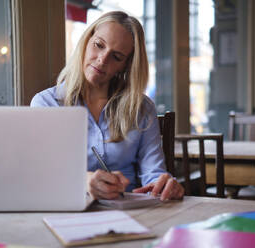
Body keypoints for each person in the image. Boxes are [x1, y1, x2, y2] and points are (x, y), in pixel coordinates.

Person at [30, 11, 184, 201]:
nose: (102, 60)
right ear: (86, 41)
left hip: (131, 211)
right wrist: (83, 180)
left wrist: (165, 185)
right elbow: (43, 172)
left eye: (117, 56)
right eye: (99, 45)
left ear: (126, 65)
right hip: (68, 209)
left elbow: (153, 174)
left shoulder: (141, 108)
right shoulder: (46, 104)